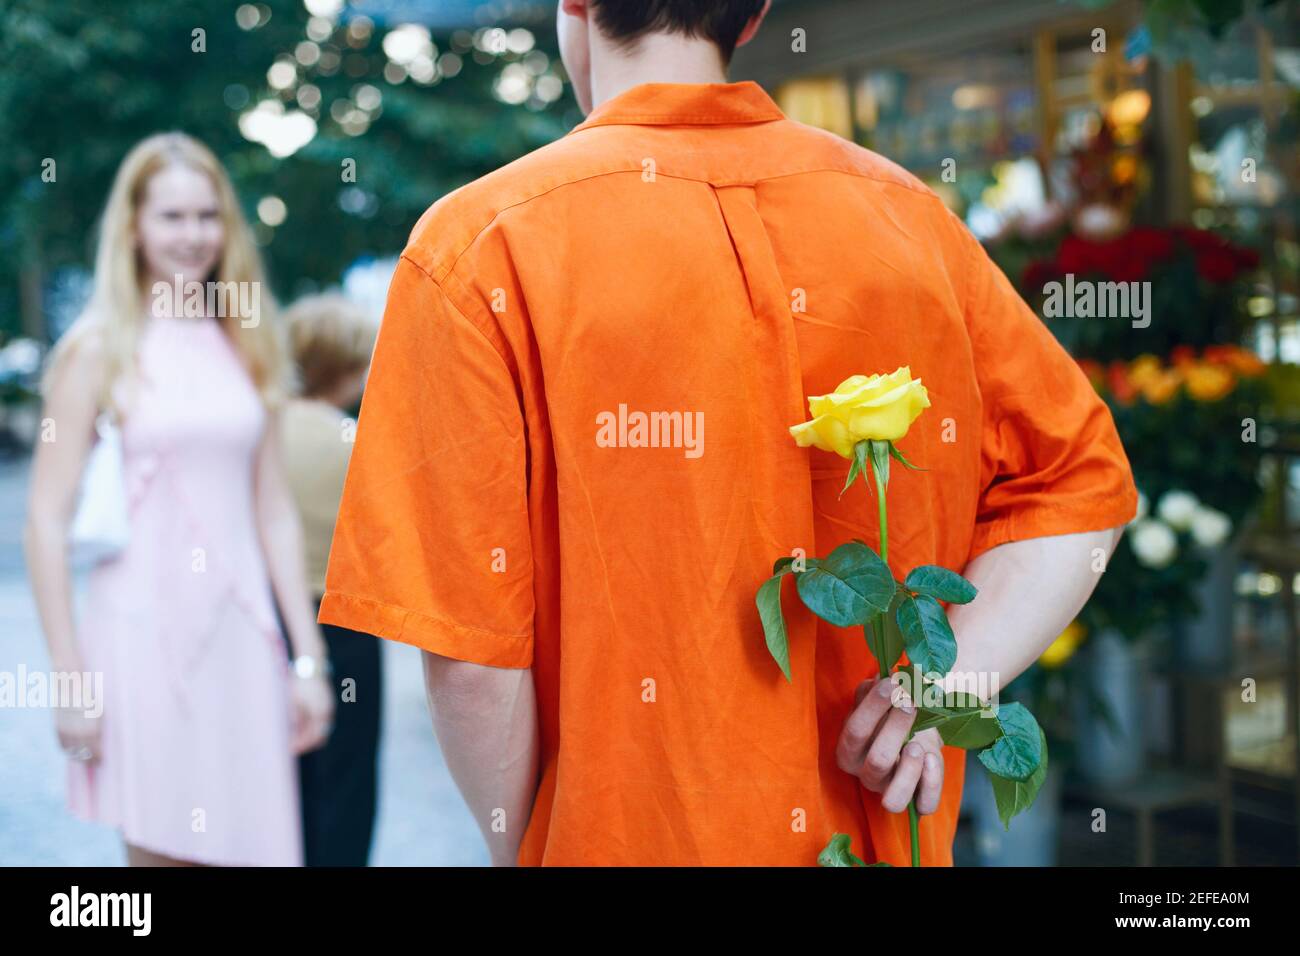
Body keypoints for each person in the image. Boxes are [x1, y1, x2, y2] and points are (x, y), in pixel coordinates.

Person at [318, 0, 1139, 866]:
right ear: (752, 16)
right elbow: (1085, 486)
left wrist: (526, 841)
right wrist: (942, 682)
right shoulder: (909, 221)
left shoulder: (480, 247)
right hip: (869, 837)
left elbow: (472, 661)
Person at [24, 132, 333, 867]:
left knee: (254, 848)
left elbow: (274, 512)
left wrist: (309, 659)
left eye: (208, 215)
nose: (193, 235)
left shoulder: (247, 340)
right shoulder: (97, 349)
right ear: (133, 226)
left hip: (243, 635)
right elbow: (44, 519)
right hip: (140, 635)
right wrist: (70, 679)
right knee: (164, 852)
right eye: (172, 216)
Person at [279, 293, 382, 866]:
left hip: (267, 617)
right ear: (343, 368)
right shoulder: (354, 441)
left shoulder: (257, 429)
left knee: (278, 776)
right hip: (343, 623)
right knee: (345, 785)